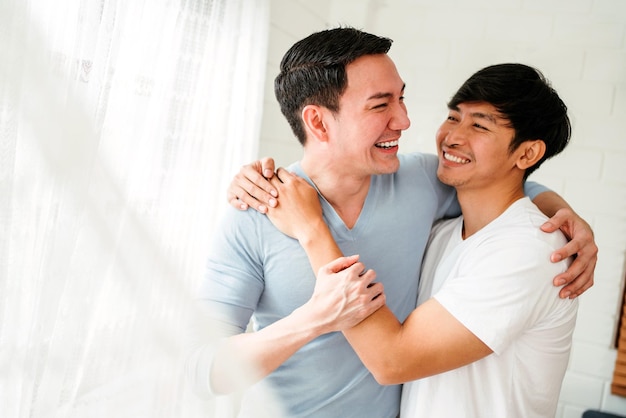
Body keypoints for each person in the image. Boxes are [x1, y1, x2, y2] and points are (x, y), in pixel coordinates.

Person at [188, 27, 596, 417]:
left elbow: (501, 182)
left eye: (402, 99)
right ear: (317, 121)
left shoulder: (421, 183)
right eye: (381, 105)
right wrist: (312, 319)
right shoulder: (257, 209)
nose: (404, 120)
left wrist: (566, 214)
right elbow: (202, 369)